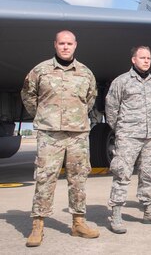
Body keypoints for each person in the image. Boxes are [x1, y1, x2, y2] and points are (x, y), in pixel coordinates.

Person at [21, 30, 99, 247]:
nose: (65, 47)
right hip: (50, 134)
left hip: (78, 135)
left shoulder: (85, 73)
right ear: (55, 45)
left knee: (78, 179)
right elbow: (28, 95)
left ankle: (78, 223)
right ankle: (37, 226)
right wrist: (44, 116)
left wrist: (75, 119)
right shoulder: (41, 70)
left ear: (76, 45)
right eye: (61, 43)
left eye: (69, 43)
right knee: (45, 178)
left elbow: (90, 99)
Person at [106, 46, 151, 233]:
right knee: (122, 174)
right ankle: (116, 215)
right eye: (142, 57)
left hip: (149, 137)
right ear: (133, 60)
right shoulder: (122, 81)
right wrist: (121, 131)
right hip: (128, 137)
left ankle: (149, 211)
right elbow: (111, 109)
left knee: (149, 175)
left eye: (149, 57)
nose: (146, 61)